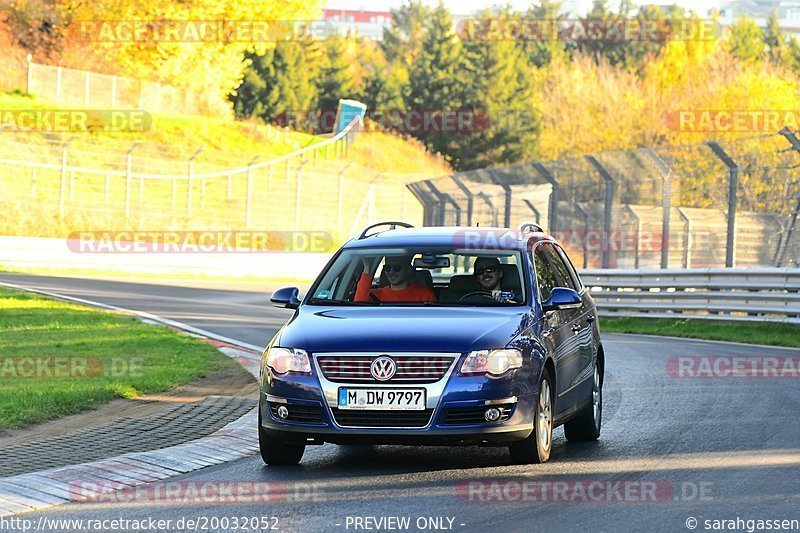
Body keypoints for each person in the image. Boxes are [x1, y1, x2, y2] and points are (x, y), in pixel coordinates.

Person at [355, 255, 436, 303]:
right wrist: (367, 267)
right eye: (387, 268)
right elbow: (357, 311)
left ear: (408, 269)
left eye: (397, 268)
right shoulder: (375, 295)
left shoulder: (425, 295)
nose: (391, 272)